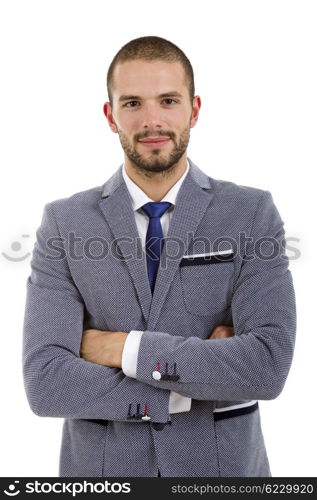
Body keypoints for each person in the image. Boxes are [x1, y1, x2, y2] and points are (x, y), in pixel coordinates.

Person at [22, 35, 296, 477]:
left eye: (168, 100)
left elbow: (266, 366)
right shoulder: (64, 223)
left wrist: (119, 348)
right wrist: (191, 387)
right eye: (132, 103)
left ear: (194, 109)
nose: (152, 121)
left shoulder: (250, 213)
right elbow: (47, 383)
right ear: (111, 116)